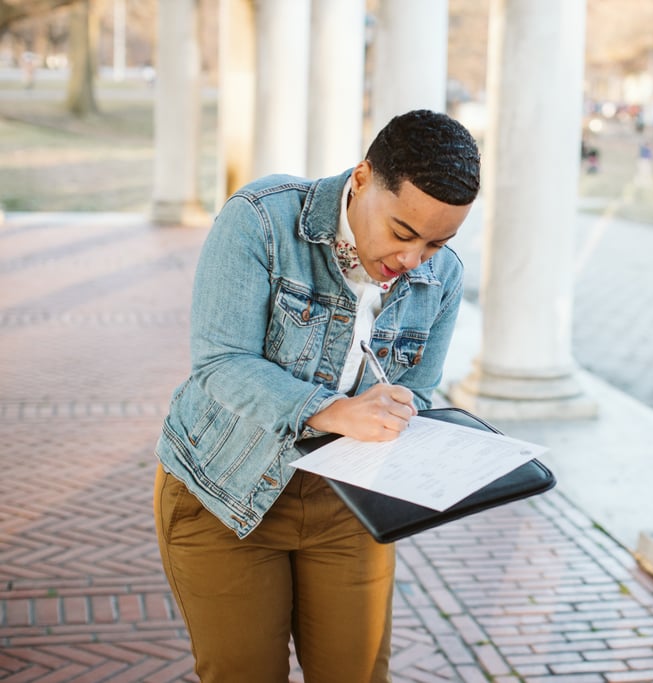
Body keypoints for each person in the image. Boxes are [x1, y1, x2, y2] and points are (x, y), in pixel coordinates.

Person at [153, 109, 480, 682]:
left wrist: (416, 428)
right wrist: (335, 411)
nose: (411, 261)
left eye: (436, 242)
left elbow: (418, 393)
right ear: (361, 178)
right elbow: (220, 363)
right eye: (403, 233)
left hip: (349, 505)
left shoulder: (442, 275)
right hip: (224, 491)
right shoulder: (260, 217)